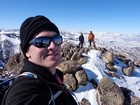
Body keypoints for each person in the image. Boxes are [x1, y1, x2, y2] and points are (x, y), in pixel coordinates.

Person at [2, 15, 78, 105]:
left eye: (56, 39)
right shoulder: (25, 90)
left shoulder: (52, 78)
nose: (53, 46)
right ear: (27, 52)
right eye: (42, 42)